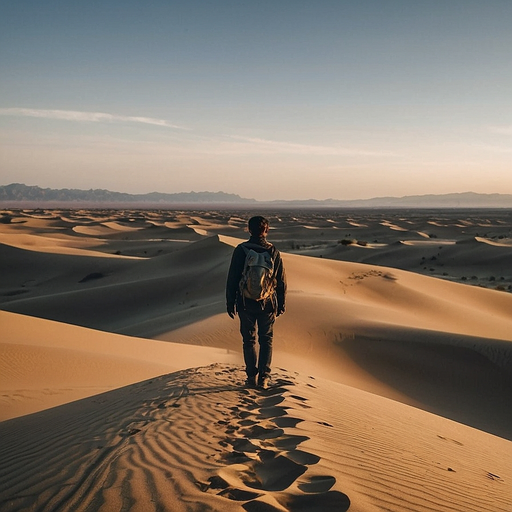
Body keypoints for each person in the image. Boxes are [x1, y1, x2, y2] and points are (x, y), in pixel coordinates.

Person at [226, 216, 286, 389]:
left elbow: (232, 278)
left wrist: (230, 302)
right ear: (266, 230)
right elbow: (281, 280)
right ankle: (264, 377)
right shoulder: (273, 251)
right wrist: (281, 303)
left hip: (245, 302)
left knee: (249, 340)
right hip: (267, 303)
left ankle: (251, 376)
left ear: (249, 230)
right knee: (266, 339)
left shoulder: (241, 250)